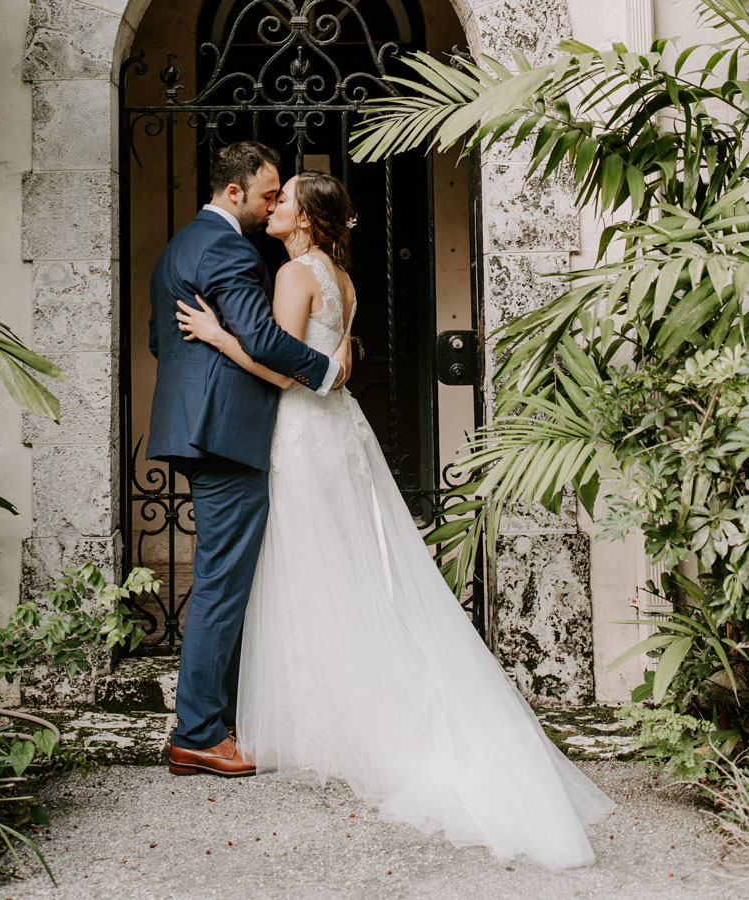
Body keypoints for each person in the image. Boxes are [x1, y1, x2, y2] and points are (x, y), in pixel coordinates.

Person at [174, 169, 616, 869]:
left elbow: (281, 368)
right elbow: (330, 359)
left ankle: (322, 716)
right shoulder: (339, 278)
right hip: (339, 431)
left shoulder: (294, 276)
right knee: (343, 565)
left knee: (307, 568)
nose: (273, 207)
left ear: (308, 220)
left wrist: (216, 335)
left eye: (284, 199)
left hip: (298, 430)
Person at [148, 143, 352, 778]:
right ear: (234, 193)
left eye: (280, 198)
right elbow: (265, 339)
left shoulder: (182, 243)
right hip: (226, 434)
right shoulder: (228, 248)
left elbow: (161, 340)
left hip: (203, 427)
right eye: (267, 194)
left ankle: (218, 718)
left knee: (226, 576)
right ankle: (199, 733)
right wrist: (331, 370)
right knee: (220, 583)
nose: (271, 206)